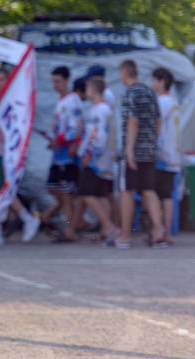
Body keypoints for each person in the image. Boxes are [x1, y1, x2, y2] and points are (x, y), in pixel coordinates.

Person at [0, 66, 41, 246]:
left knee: (2, 190)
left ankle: (28, 218)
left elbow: (9, 128)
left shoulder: (10, 102)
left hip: (4, 153)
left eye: (0, 80)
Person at [114, 59, 166, 248]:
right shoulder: (150, 92)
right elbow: (159, 120)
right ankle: (159, 230)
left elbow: (133, 121)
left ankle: (125, 235)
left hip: (133, 151)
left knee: (126, 190)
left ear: (124, 73)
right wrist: (151, 140)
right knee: (148, 189)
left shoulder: (130, 93)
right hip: (148, 149)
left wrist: (129, 149)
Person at [41, 66, 83, 242]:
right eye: (53, 81)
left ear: (67, 81)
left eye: (58, 81)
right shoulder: (61, 100)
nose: (54, 85)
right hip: (58, 154)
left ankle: (70, 228)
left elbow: (77, 129)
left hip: (67, 154)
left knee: (65, 193)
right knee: (57, 190)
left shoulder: (72, 100)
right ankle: (71, 221)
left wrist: (62, 140)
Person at [77, 76, 118, 243]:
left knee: (85, 192)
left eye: (88, 89)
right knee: (101, 195)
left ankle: (108, 226)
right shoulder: (105, 109)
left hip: (96, 160)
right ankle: (106, 231)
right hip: (105, 160)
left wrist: (89, 153)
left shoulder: (99, 110)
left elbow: (98, 135)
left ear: (93, 90)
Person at [151, 67, 180, 243]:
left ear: (162, 82)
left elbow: (157, 127)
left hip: (161, 155)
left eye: (154, 80)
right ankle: (167, 232)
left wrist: (152, 147)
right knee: (167, 195)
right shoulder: (174, 101)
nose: (152, 84)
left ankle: (159, 231)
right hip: (173, 155)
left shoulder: (161, 102)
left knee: (154, 193)